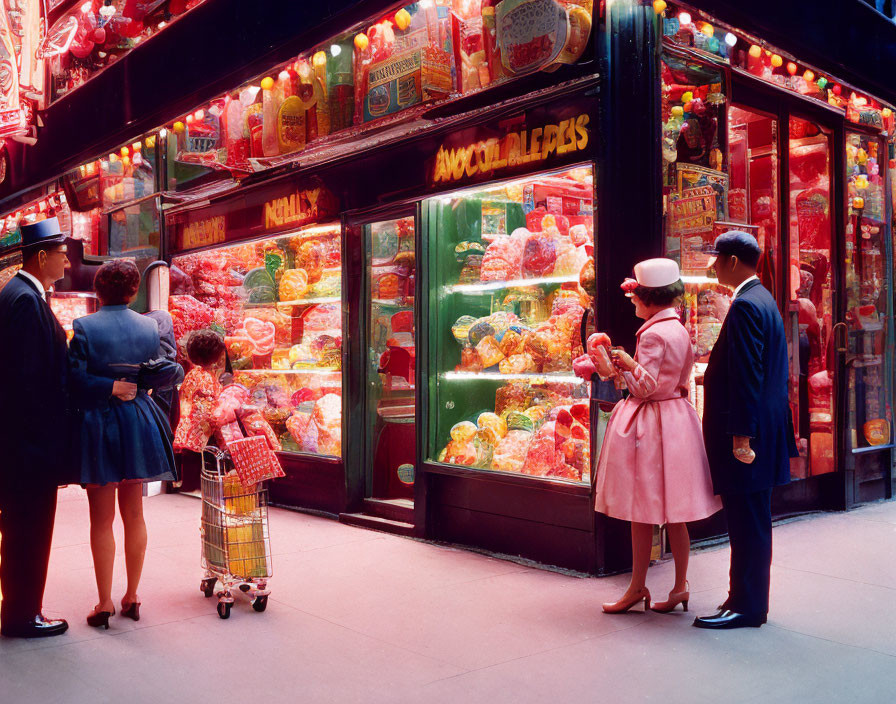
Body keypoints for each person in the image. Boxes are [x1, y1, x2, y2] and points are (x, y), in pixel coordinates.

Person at [574, 258, 721, 614]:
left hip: (652, 423)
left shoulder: (654, 334)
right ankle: (679, 587)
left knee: (642, 508)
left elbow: (646, 388)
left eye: (637, 296)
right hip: (677, 419)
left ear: (649, 297)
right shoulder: (679, 328)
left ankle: (637, 586)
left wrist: (623, 363)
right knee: (677, 512)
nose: (632, 301)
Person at [69, 260, 182, 629]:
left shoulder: (84, 327)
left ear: (98, 291)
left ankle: (103, 603)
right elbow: (160, 371)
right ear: (133, 292)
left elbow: (72, 380)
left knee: (100, 520)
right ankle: (132, 595)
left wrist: (107, 387)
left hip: (99, 424)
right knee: (134, 514)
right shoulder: (150, 325)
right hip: (138, 420)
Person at [693, 231, 798, 630]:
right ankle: (743, 598)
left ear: (734, 261)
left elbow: (749, 375)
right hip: (760, 428)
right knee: (750, 520)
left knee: (747, 521)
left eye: (718, 259)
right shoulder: (762, 300)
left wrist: (741, 436)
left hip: (748, 435)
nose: (714, 266)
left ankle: (748, 606)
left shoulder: (746, 307)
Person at [0, 218, 71, 638]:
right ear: (41, 256)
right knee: (30, 528)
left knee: (22, 528)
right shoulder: (25, 299)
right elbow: (27, 379)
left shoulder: (18, 293)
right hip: (29, 445)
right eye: (62, 253)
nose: (66, 260)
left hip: (20, 442)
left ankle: (20, 610)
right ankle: (23, 616)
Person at [173, 329, 225, 454]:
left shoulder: (193, 374)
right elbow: (210, 414)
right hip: (195, 444)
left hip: (182, 437)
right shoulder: (206, 379)